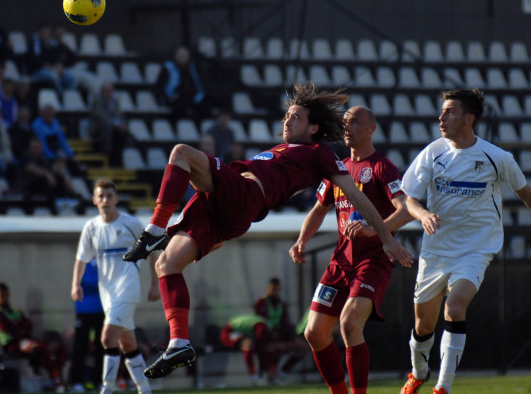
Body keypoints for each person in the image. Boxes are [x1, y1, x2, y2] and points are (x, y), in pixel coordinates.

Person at [122, 82, 413, 379]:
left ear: (313, 128)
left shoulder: (319, 153)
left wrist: (386, 238)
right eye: (287, 115)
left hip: (245, 195)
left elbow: (356, 195)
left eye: (296, 117)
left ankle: (154, 229)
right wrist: (302, 239)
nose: (287, 120)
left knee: (181, 152)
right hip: (222, 210)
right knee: (166, 264)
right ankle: (179, 343)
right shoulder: (283, 149)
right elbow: (318, 209)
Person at [399, 89, 531, 394]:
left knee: (455, 308)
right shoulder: (433, 153)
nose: (441, 117)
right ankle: (419, 372)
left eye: (449, 112)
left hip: (476, 249)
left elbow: (523, 192)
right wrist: (423, 216)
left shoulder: (496, 157)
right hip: (436, 251)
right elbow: (409, 200)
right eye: (442, 111)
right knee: (423, 326)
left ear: (468, 119)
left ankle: (443, 387)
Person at [289, 106, 413, 394]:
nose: (347, 127)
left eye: (355, 121)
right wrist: (301, 240)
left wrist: (374, 229)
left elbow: (405, 211)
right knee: (314, 333)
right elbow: (319, 210)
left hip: (372, 261)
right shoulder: (338, 168)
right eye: (345, 122)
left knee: (349, 323)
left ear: (372, 128)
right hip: (340, 261)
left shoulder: (382, 167)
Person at [71, 180, 160, 394]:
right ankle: (145, 390)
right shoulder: (91, 228)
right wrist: (76, 284)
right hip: (107, 295)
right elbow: (81, 259)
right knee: (127, 345)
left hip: (127, 290)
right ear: (94, 200)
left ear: (116, 199)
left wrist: (156, 284)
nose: (105, 200)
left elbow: (153, 252)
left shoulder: (131, 224)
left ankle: (107, 390)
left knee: (106, 338)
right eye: (101, 196)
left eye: (109, 196)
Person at [0, 282, 68, 393]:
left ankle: (54, 376)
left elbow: (28, 326)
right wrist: (19, 326)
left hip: (27, 340)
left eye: (5, 294)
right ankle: (54, 379)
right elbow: (10, 330)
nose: (4, 297)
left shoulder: (15, 311)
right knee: (39, 349)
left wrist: (18, 325)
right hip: (12, 344)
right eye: (1, 295)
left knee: (60, 349)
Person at [253, 277, 308, 377]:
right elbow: (259, 322)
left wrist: (292, 337)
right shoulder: (261, 303)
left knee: (302, 347)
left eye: (278, 289)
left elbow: (285, 323)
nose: (276, 292)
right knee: (276, 348)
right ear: (268, 289)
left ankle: (283, 372)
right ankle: (267, 372)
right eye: (273, 289)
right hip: (266, 336)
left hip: (280, 334)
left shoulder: (282, 304)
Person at [68, 258, 105, 392]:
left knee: (101, 347)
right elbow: (82, 281)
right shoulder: (82, 261)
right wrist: (100, 283)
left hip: (101, 310)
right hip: (84, 311)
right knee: (80, 347)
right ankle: (76, 381)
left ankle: (99, 380)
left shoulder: (104, 260)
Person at [219, 314, 276, 384]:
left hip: (240, 333)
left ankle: (260, 375)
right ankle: (254, 376)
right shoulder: (262, 329)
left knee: (258, 348)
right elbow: (261, 348)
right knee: (248, 345)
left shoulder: (265, 328)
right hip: (228, 333)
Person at [155, 46, 207, 119]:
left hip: (189, 97)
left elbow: (197, 85)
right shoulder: (168, 68)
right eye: (180, 55)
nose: (182, 58)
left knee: (204, 106)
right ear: (175, 56)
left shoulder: (192, 68)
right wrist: (166, 97)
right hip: (174, 98)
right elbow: (159, 86)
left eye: (184, 56)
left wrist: (197, 96)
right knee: (180, 107)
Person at [31, 103, 83, 175]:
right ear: (43, 114)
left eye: (51, 115)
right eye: (47, 115)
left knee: (75, 163)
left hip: (57, 152)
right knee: (58, 167)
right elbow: (42, 144)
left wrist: (71, 155)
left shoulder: (55, 122)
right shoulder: (36, 125)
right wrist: (54, 158)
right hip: (44, 155)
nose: (50, 117)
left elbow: (62, 140)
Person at [89, 82, 132, 167]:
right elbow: (101, 116)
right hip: (100, 129)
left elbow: (120, 116)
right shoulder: (97, 102)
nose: (109, 92)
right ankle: (107, 152)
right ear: (102, 91)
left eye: (110, 90)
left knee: (123, 132)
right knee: (107, 125)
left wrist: (121, 124)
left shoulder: (114, 103)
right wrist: (116, 124)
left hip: (114, 130)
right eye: (107, 90)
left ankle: (118, 157)